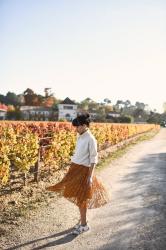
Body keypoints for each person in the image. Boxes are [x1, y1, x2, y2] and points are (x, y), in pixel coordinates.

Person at [46, 113, 110, 235]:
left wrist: (90, 176)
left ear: (85, 125)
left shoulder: (91, 139)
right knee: (77, 196)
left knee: (81, 198)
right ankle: (82, 220)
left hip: (84, 171)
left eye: (78, 126)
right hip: (75, 169)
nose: (76, 129)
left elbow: (93, 159)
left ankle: (84, 225)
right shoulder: (80, 136)